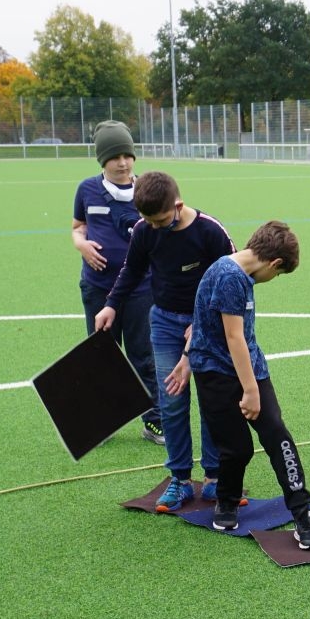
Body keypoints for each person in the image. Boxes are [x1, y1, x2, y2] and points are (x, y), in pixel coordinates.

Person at [95, 170, 232, 511]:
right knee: (171, 401)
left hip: (209, 323)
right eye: (148, 220)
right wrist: (111, 304)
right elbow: (132, 270)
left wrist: (203, 321)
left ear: (178, 205)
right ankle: (180, 479)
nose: (154, 227)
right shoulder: (145, 230)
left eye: (160, 220)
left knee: (212, 401)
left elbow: (232, 279)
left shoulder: (210, 232)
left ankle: (214, 478)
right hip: (165, 323)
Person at [188, 221, 310, 548]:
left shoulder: (242, 273)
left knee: (277, 434)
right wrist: (250, 391)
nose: (272, 279)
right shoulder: (229, 276)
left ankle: (303, 510)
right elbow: (233, 337)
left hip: (251, 366)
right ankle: (227, 501)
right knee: (237, 448)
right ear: (274, 263)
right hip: (215, 373)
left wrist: (254, 382)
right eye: (278, 274)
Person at [73, 121, 162, 444]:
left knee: (144, 356)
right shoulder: (87, 189)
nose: (123, 163)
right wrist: (81, 245)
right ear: (102, 159)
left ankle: (155, 421)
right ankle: (102, 422)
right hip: (98, 287)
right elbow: (78, 226)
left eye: (127, 155)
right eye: (115, 157)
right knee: (101, 356)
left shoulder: (148, 190)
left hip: (141, 290)